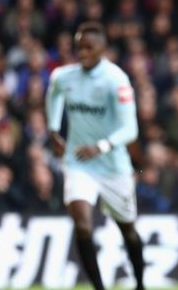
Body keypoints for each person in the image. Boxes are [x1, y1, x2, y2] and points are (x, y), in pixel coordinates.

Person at [45, 22, 145, 290]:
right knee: (83, 225)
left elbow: (130, 129)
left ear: (103, 48)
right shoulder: (64, 77)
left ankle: (140, 283)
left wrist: (99, 147)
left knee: (128, 231)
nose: (82, 52)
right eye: (79, 47)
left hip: (113, 166)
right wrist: (53, 128)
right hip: (78, 163)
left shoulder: (116, 80)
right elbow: (54, 93)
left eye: (89, 47)